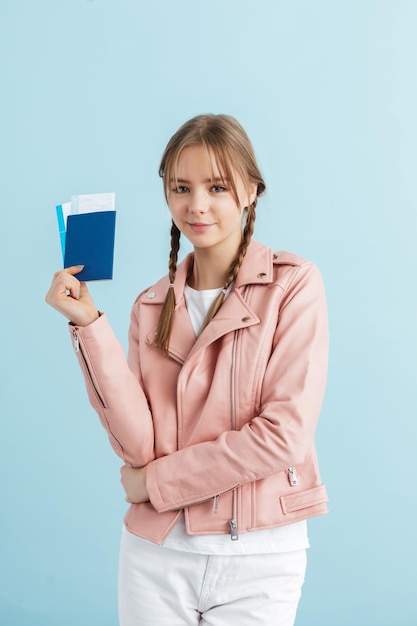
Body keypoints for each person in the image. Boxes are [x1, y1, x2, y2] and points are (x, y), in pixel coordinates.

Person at [45, 114, 329, 626]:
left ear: (250, 190)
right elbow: (139, 446)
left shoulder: (293, 286)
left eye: (216, 186)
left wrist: (154, 483)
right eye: (181, 187)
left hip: (260, 557)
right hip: (155, 555)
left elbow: (282, 436)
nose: (196, 205)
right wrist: (89, 324)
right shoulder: (149, 306)